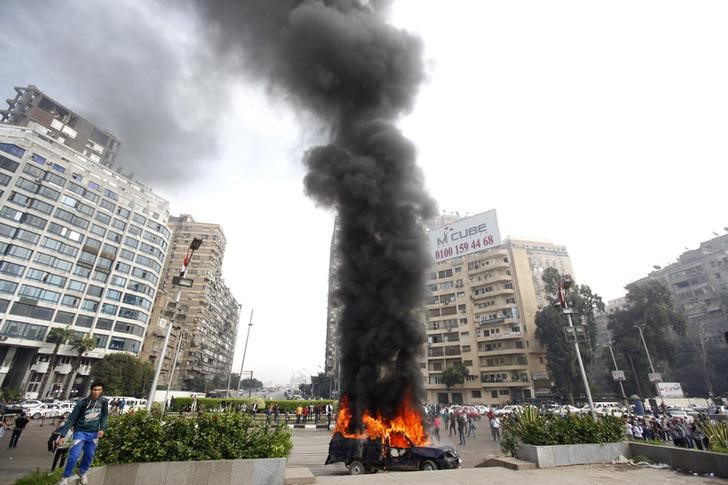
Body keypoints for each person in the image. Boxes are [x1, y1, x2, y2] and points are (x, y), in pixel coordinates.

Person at [57, 381, 109, 485]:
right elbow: (71, 419)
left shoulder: (103, 401)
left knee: (89, 455)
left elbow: (104, 415)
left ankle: (82, 472)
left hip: (93, 433)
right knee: (73, 456)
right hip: (80, 432)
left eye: (99, 390)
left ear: (102, 390)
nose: (96, 392)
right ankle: (65, 477)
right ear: (91, 390)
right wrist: (62, 435)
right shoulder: (82, 402)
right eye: (95, 390)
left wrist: (102, 428)